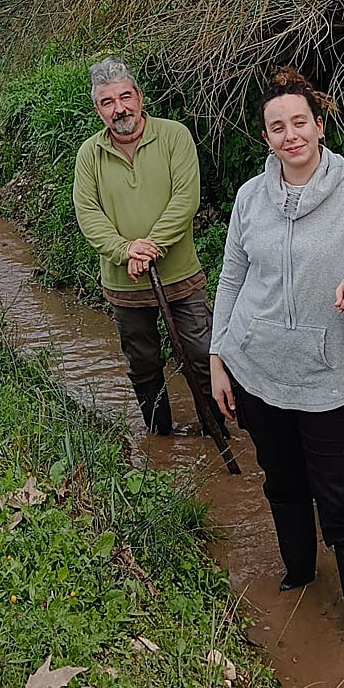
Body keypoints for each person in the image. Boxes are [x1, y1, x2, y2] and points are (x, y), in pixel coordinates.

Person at [209, 68, 344, 664]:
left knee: (342, 497)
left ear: (319, 124)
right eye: (276, 126)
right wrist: (218, 357)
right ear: (266, 137)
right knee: (283, 480)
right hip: (258, 369)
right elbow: (233, 277)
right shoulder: (248, 198)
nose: (289, 135)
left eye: (298, 122)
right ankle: (297, 573)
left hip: (332, 374)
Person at [72, 57, 226, 437]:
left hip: (181, 277)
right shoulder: (88, 155)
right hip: (125, 286)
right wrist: (126, 251)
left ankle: (217, 431)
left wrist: (150, 246)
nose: (119, 108)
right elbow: (89, 215)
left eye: (125, 97)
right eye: (108, 102)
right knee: (142, 363)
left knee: (201, 354)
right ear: (98, 110)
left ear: (140, 98)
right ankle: (160, 438)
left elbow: (185, 199)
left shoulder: (175, 136)